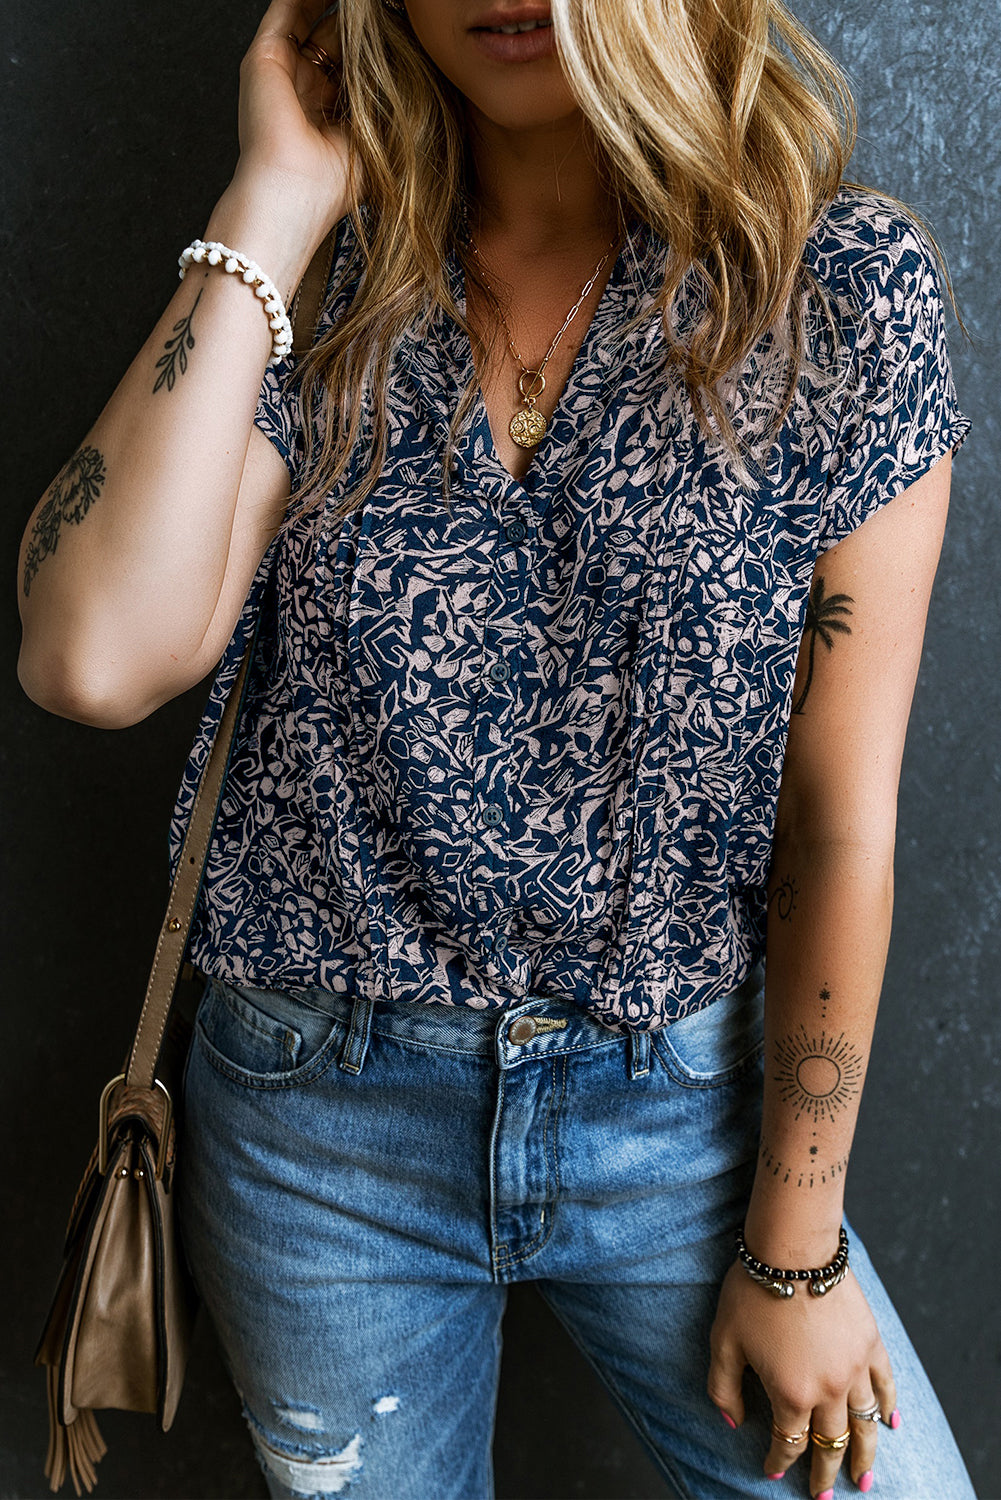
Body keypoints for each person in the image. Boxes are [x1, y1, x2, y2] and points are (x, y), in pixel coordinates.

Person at [16, 0, 976, 1496]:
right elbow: (89, 656)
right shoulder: (330, 278)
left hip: (682, 1116)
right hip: (316, 1127)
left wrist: (794, 1255)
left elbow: (837, 821)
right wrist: (271, 203)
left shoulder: (833, 286)